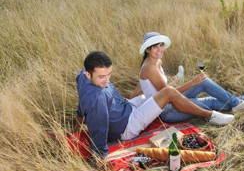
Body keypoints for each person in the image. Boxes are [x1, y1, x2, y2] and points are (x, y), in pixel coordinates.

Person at [76, 51, 234, 158]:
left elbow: (82, 102)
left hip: (128, 106)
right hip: (127, 126)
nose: (107, 80)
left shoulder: (82, 77)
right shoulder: (97, 97)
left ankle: (185, 94)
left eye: (109, 74)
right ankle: (210, 115)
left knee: (153, 92)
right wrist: (101, 155)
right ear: (89, 74)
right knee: (168, 93)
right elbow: (100, 127)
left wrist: (79, 119)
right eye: (102, 77)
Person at [132, 32, 244, 123]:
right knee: (210, 101)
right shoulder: (150, 68)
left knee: (203, 81)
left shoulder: (156, 61)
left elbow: (140, 86)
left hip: (173, 101)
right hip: (168, 111)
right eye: (155, 47)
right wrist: (192, 83)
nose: (160, 49)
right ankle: (243, 101)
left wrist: (132, 100)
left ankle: (239, 103)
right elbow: (169, 94)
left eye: (161, 45)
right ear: (148, 50)